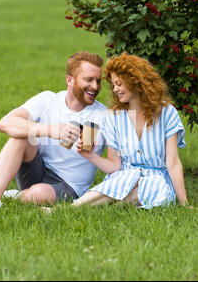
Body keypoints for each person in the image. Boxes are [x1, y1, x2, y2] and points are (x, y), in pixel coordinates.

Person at [0, 51, 107, 209]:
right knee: (21, 134)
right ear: (69, 80)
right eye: (89, 80)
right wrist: (50, 130)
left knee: (35, 195)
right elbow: (5, 123)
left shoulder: (102, 116)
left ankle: (15, 196)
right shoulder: (48, 100)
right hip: (37, 169)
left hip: (69, 185)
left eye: (98, 81)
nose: (95, 87)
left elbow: (118, 161)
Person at [72, 52, 188, 209]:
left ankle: (103, 206)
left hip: (157, 180)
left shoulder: (167, 113)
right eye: (113, 85)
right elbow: (115, 166)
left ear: (135, 82)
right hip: (124, 177)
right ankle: (71, 208)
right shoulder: (113, 117)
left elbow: (173, 162)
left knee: (149, 187)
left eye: (119, 84)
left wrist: (184, 203)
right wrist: (91, 155)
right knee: (122, 181)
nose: (115, 89)